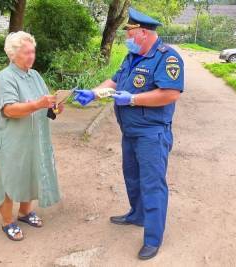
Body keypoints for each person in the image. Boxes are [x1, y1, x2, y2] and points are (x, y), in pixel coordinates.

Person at [74, 7, 184, 260]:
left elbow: (170, 94)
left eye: (130, 34)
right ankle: (137, 214)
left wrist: (133, 99)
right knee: (132, 177)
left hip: (152, 134)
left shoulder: (167, 58)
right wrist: (93, 93)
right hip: (130, 132)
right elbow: (114, 81)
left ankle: (153, 238)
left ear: (144, 33)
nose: (127, 38)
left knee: (152, 184)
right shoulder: (132, 57)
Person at [0, 31, 63, 241]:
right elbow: (9, 110)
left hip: (32, 137)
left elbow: (46, 104)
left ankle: (24, 212)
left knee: (30, 172)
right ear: (13, 55)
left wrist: (55, 107)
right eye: (26, 53)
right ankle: (7, 222)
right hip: (8, 139)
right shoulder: (5, 78)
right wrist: (37, 104)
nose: (32, 56)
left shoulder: (34, 75)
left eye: (33, 52)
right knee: (8, 178)